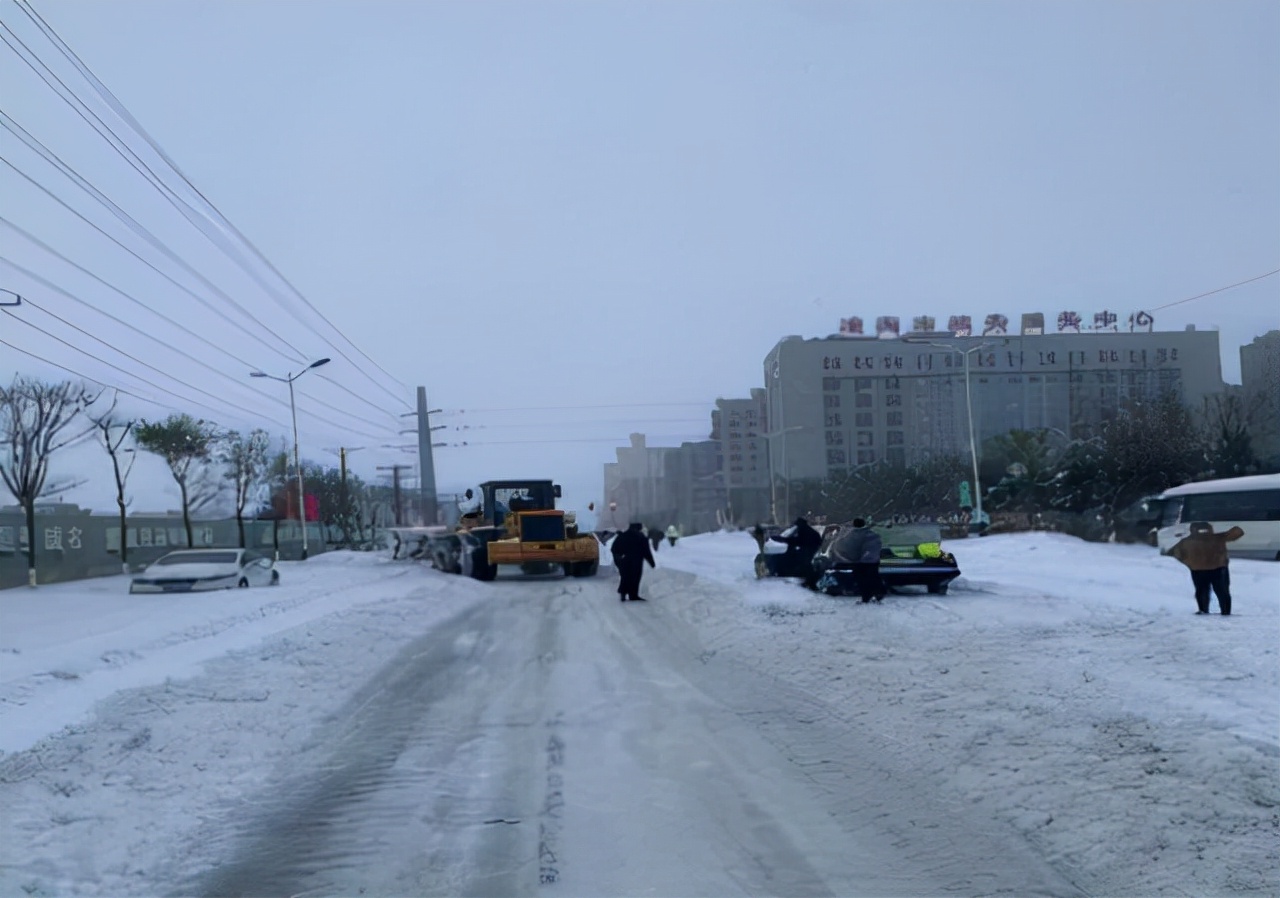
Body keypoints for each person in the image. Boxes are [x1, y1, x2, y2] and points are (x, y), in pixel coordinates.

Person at [1169, 521, 1244, 615]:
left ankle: (1203, 610)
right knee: (1222, 591)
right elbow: (1238, 533)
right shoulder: (1218, 537)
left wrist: (1189, 562)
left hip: (1197, 569)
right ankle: (1226, 612)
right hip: (1219, 568)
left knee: (1202, 591)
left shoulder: (1186, 541)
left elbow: (1175, 553)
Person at [831, 518, 885, 602]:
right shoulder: (871, 534)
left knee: (861, 579)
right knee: (873, 576)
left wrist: (848, 557)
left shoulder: (851, 535)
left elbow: (843, 545)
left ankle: (866, 596)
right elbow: (877, 545)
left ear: (854, 525)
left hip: (858, 562)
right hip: (872, 561)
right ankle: (878, 592)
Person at [610, 521, 656, 602]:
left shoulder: (623, 535)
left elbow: (614, 548)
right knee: (635, 577)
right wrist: (652, 562)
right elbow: (646, 551)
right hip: (637, 561)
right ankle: (633, 595)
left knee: (625, 576)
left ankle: (623, 594)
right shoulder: (641, 536)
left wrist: (619, 557)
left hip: (624, 560)